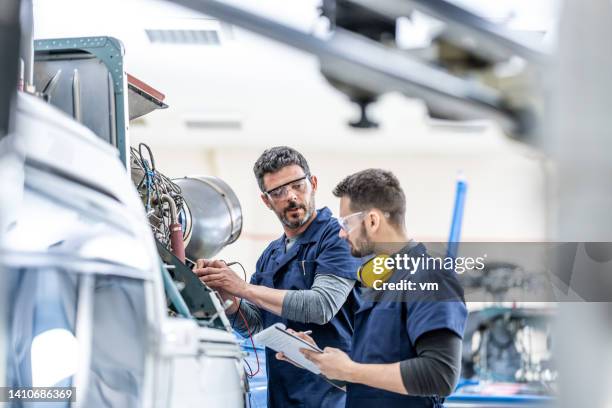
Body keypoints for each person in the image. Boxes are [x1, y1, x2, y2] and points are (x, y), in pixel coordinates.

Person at [280, 169, 468, 408]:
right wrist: (320, 362)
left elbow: (440, 374)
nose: (341, 233)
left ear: (372, 220)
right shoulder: (382, 282)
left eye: (346, 223)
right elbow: (372, 380)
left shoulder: (429, 277)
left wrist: (351, 370)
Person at [193, 146, 361, 408]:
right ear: (266, 200)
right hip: (283, 395)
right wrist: (228, 297)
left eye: (297, 185)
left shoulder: (337, 238)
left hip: (333, 397)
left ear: (313, 183)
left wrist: (242, 287)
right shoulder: (270, 255)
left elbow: (322, 306)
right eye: (278, 192)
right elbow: (258, 323)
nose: (291, 197)